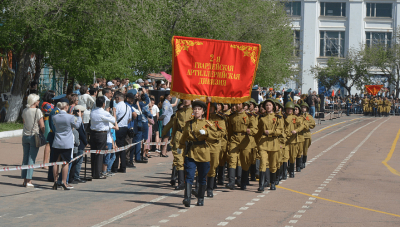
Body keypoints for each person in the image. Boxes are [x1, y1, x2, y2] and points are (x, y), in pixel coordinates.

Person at [179, 100, 219, 207]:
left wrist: (207, 133)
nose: (196, 111)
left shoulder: (208, 124)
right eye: (195, 109)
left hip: (203, 152)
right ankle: (187, 198)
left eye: (199, 109)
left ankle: (200, 198)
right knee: (189, 175)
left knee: (202, 177)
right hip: (191, 151)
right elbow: (184, 137)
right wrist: (180, 147)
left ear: (203, 111)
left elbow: (216, 137)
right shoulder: (189, 123)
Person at [51, 101, 82, 190]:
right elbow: (77, 125)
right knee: (66, 162)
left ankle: (55, 181)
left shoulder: (55, 117)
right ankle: (64, 182)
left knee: (55, 162)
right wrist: (79, 116)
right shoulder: (70, 117)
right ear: (66, 107)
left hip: (57, 141)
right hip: (67, 142)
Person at [255, 98, 283, 191]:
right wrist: (257, 142)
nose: (268, 107)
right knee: (263, 163)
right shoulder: (261, 118)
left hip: (274, 143)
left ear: (273, 107)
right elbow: (258, 131)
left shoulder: (279, 117)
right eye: (266, 105)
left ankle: (272, 183)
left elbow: (280, 130)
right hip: (263, 143)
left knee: (273, 164)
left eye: (270, 105)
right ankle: (261, 185)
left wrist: (270, 132)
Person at [21, 94, 45, 187]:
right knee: (32, 158)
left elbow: (24, 122)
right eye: (38, 100)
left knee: (25, 158)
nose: (39, 102)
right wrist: (42, 133)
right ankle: (29, 181)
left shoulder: (25, 110)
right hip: (34, 136)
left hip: (25, 136)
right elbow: (42, 125)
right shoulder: (38, 111)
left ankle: (24, 180)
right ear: (35, 102)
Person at [90, 96, 117, 178]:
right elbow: (113, 120)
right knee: (100, 154)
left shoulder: (93, 111)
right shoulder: (104, 112)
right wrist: (111, 112)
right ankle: (98, 174)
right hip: (102, 134)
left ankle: (94, 172)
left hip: (93, 133)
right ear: (103, 104)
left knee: (93, 153)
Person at [111, 92, 132, 173]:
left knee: (117, 147)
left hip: (118, 128)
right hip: (125, 127)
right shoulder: (128, 107)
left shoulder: (116, 107)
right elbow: (130, 119)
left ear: (118, 98)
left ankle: (115, 167)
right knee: (122, 147)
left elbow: (114, 118)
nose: (115, 99)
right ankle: (123, 166)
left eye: (115, 98)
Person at [70, 105, 88, 184]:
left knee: (77, 160)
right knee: (78, 161)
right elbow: (81, 133)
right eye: (81, 112)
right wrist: (86, 142)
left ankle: (75, 176)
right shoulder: (77, 120)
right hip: (79, 143)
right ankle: (76, 176)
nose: (82, 114)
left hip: (79, 143)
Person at [40, 90, 55, 169]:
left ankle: (46, 162)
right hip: (47, 121)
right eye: (53, 96)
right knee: (48, 143)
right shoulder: (45, 104)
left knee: (50, 143)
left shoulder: (49, 104)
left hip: (50, 121)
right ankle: (45, 163)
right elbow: (52, 110)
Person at [159, 91, 174, 157]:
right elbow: (164, 113)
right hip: (166, 122)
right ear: (166, 96)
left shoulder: (168, 103)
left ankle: (164, 151)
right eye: (169, 95)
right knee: (166, 137)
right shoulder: (166, 103)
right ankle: (163, 152)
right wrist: (160, 118)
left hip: (168, 121)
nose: (171, 97)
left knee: (167, 137)